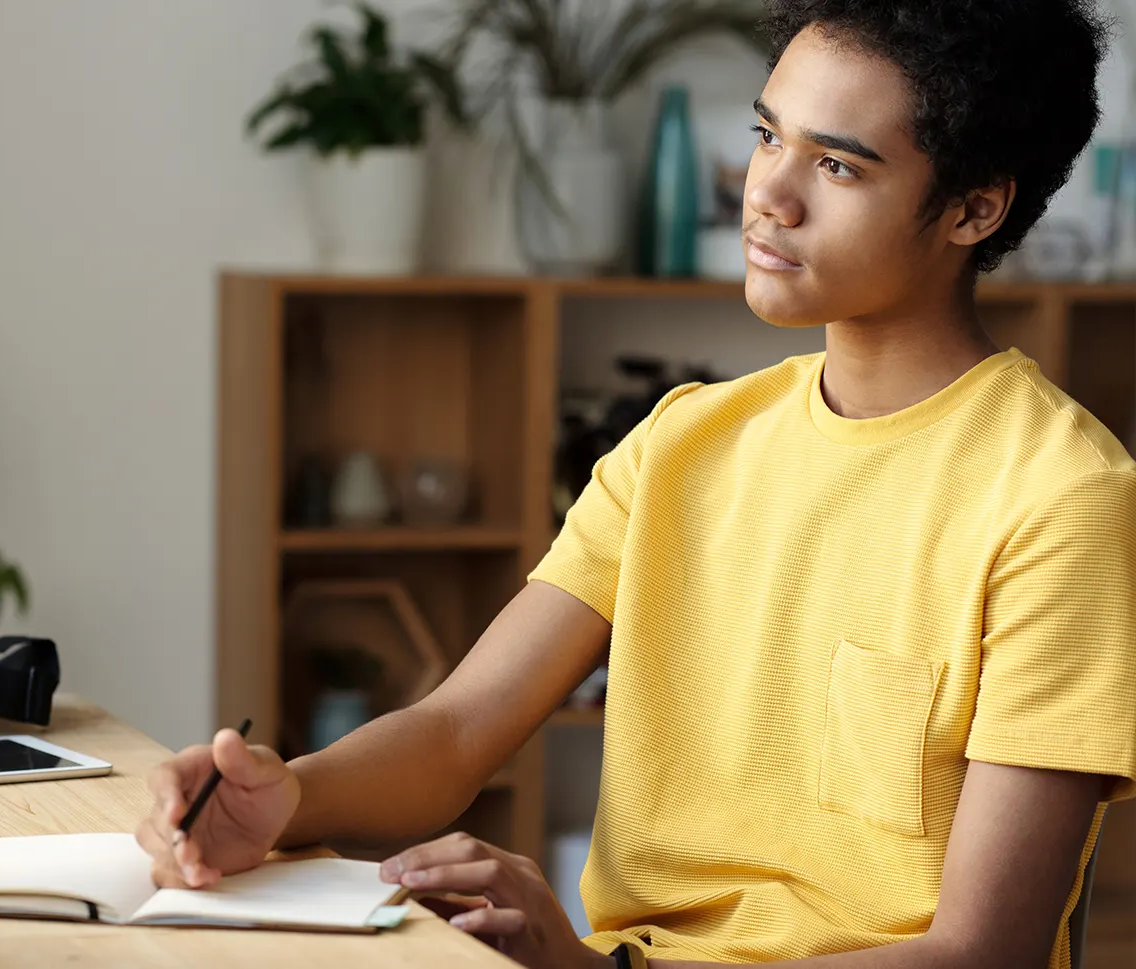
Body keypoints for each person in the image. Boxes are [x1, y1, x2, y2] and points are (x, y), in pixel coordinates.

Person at [141, 1, 1136, 966]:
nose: (767, 195)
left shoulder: (1061, 498)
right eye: (767, 136)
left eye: (836, 163)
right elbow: (455, 732)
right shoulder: (681, 444)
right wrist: (288, 798)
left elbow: (982, 950)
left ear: (975, 207)